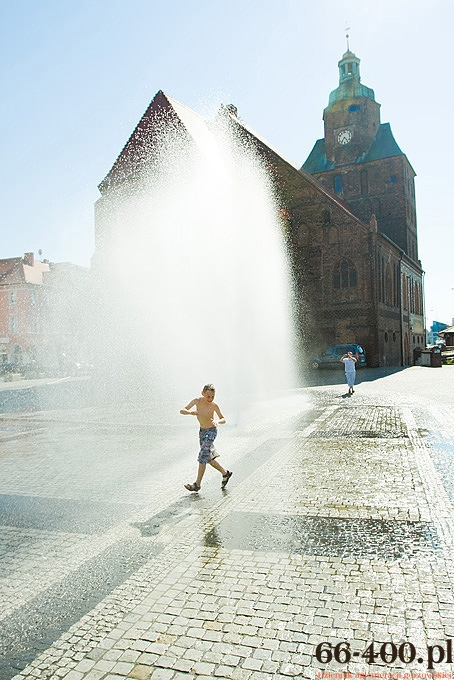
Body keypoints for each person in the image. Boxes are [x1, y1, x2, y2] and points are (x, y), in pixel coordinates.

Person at [180, 383, 232, 492]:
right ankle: (225, 473)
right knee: (208, 458)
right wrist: (190, 412)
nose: (210, 398)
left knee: (202, 455)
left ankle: (197, 484)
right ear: (202, 393)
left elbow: (223, 419)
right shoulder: (197, 401)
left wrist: (217, 421)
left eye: (212, 396)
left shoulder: (214, 406)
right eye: (208, 396)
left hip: (211, 431)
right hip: (202, 432)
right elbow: (182, 410)